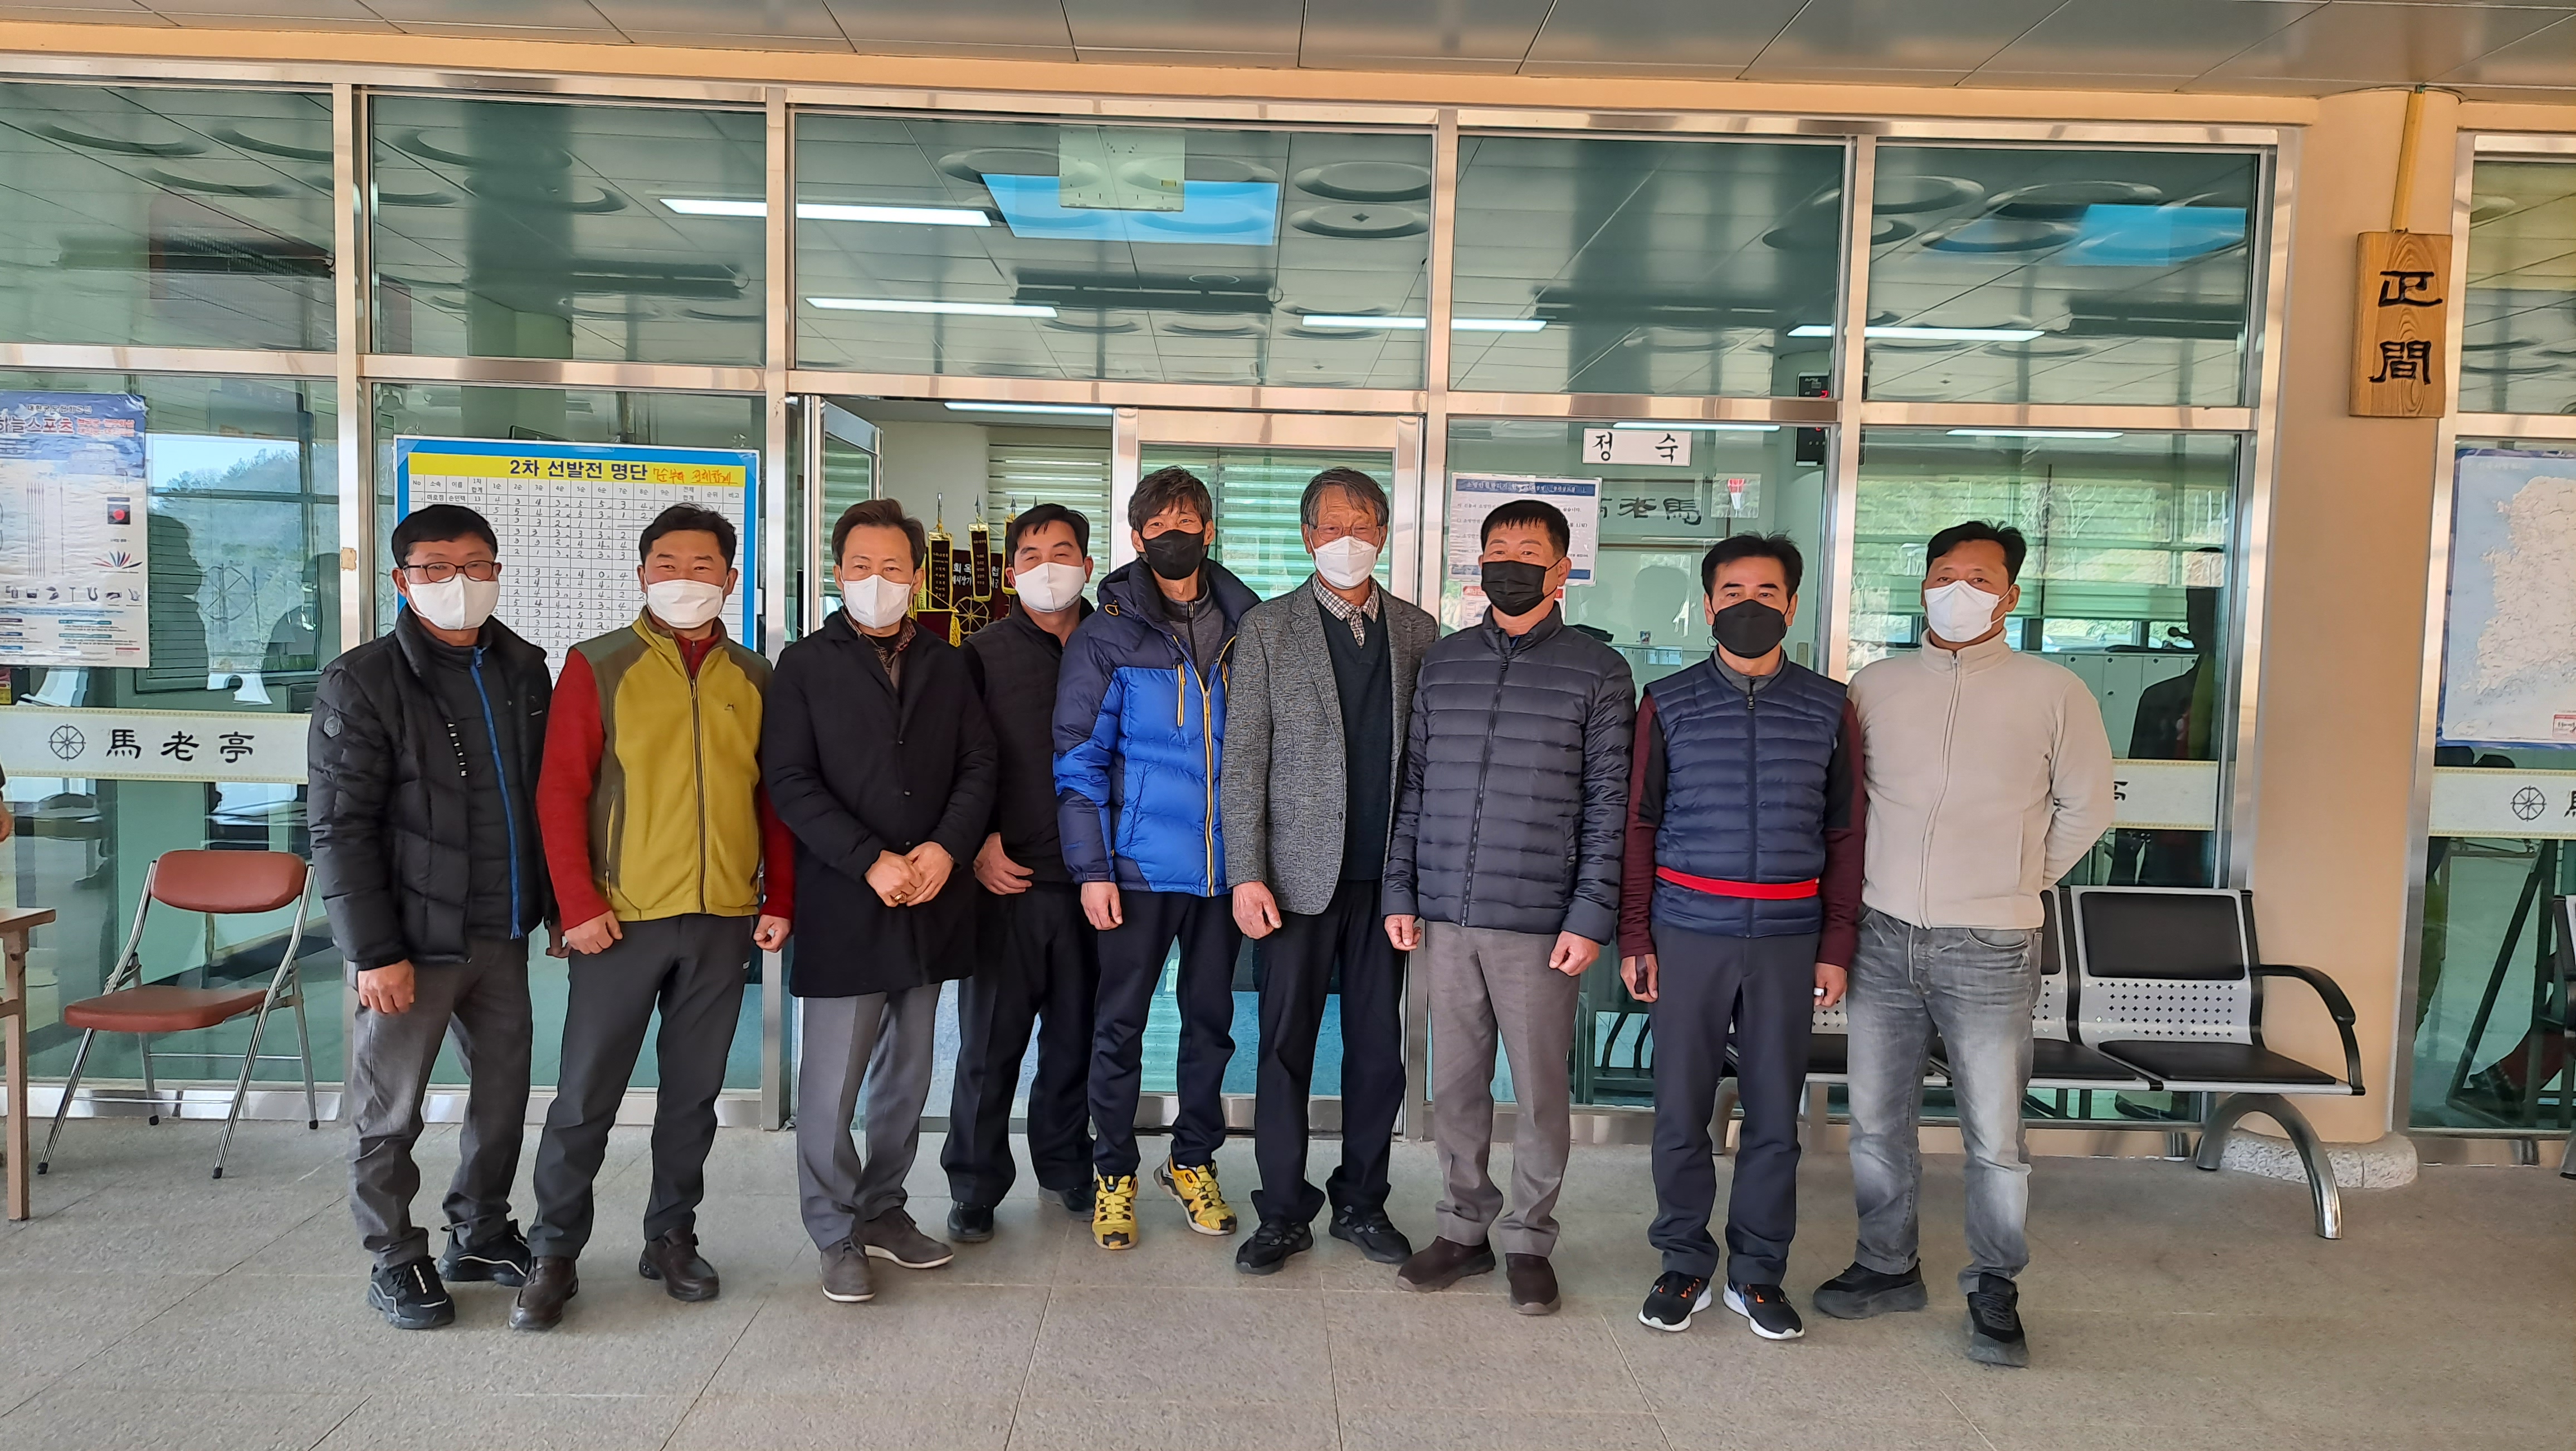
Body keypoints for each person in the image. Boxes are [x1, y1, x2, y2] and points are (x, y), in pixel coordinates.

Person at [1814, 520, 2112, 1367]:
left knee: (1995, 1134)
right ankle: (1887, 1264)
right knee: (1876, 1122)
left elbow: (2087, 806)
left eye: (1980, 579)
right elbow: (1852, 805)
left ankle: (1994, 1283)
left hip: (1991, 943)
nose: (1960, 591)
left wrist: (2016, 880)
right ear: (1923, 589)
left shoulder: (2054, 692)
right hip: (1883, 934)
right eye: (1945, 575)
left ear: (2010, 597)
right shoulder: (1875, 686)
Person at [511, 504, 796, 1332]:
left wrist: (779, 897)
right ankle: (554, 1249)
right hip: (618, 921)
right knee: (585, 1095)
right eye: (666, 565)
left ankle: (671, 1234)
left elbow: (773, 798)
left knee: (694, 1095)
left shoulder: (756, 677)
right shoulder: (598, 665)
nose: (683, 579)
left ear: (731, 579)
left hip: (721, 919)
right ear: (641, 575)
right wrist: (578, 905)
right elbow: (560, 792)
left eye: (702, 566)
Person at [1383, 499, 1633, 1316]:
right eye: (1497, 550)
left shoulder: (1599, 671)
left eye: (1529, 552)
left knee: (1539, 1092)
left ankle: (1530, 1238)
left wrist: (1590, 913)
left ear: (1562, 569)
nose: (1510, 564)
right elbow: (1414, 786)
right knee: (1455, 1087)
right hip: (1445, 916)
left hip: (1540, 923)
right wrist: (1401, 890)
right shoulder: (1444, 662)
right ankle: (1462, 1229)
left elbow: (1609, 802)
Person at [308, 504, 554, 1330]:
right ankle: (393, 1256)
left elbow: (545, 800)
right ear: (401, 580)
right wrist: (374, 950)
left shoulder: (523, 669)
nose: (460, 582)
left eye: (476, 565)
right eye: (437, 568)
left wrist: (556, 904)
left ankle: (479, 1230)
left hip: (501, 930)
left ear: (496, 571)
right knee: (390, 1109)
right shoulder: (363, 680)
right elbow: (339, 827)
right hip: (410, 942)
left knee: (503, 1096)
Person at [1618, 533, 1863, 1340]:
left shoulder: (1829, 706)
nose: (1748, 606)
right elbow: (1639, 825)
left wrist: (1836, 943)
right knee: (1680, 1110)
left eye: (1766, 593)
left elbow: (1845, 834)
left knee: (1773, 1117)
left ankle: (1758, 1273)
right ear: (1708, 604)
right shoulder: (1668, 702)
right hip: (1689, 930)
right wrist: (1635, 936)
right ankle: (1683, 1261)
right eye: (1732, 592)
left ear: (1792, 605)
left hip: (1790, 937)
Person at [767, 499, 996, 1304]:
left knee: (907, 1072)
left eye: (892, 567)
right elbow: (789, 779)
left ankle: (884, 1209)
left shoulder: (947, 662)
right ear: (837, 573)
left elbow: (979, 765)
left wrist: (945, 848)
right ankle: (834, 1230)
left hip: (931, 895)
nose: (876, 580)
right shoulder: (803, 665)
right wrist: (869, 859)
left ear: (917, 576)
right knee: (833, 1081)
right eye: (861, 566)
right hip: (846, 896)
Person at [1223, 468, 1438, 1275]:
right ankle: (1282, 1210)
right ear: (1308, 535)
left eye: (1364, 523)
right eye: (1333, 525)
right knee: (1284, 1047)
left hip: (1385, 885)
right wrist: (1247, 872)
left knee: (1378, 1052)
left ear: (1383, 533)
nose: (1350, 538)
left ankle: (1362, 1202)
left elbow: (1426, 764)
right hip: (1292, 882)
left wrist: (1416, 876)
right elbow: (1243, 761)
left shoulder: (1418, 632)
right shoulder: (1267, 629)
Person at [1055, 465, 1259, 1250]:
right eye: (1158, 526)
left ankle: (1193, 1160)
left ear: (1209, 530)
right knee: (1120, 1028)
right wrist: (1093, 871)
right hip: (1136, 870)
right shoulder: (1106, 635)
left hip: (1222, 875)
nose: (1174, 536)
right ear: (1138, 538)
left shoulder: (1251, 626)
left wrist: (1255, 864)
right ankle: (1114, 1171)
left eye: (1187, 522)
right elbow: (1078, 763)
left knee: (1212, 1026)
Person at [945, 503, 1101, 1241]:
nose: (1049, 568)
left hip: (1098, 884)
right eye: (1032, 556)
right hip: (1006, 882)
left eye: (1062, 553)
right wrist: (975, 844)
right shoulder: (980, 654)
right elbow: (955, 759)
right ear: (1011, 573)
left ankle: (1066, 1165)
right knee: (990, 1044)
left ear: (1088, 566)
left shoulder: (1118, 646)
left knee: (1076, 1039)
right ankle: (975, 1183)